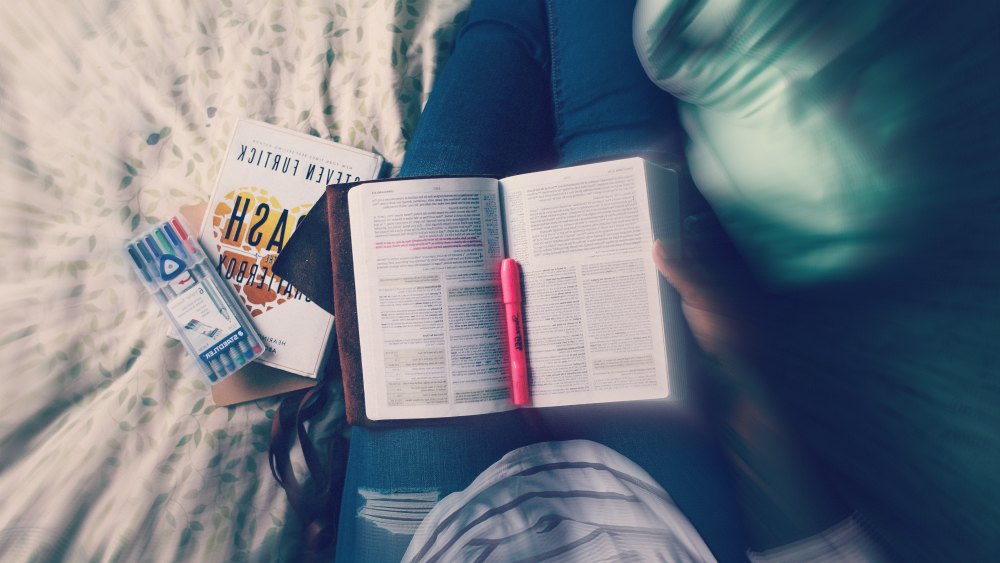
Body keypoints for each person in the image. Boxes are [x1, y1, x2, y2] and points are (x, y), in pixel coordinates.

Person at [331, 1, 888, 561]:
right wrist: (734, 362)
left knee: (445, 179)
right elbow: (818, 543)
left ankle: (500, 21)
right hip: (669, 526)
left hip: (428, 543)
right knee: (617, 157)